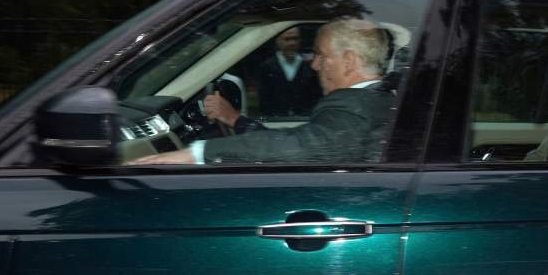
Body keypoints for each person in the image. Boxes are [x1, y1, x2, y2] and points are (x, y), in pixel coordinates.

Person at [129, 19, 394, 165]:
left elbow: (299, 146)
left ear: (347, 61)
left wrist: (197, 153)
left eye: (321, 55)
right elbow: (301, 142)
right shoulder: (378, 100)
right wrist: (236, 120)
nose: (314, 64)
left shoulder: (356, 107)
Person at [256, 26, 320, 117]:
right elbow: (264, 101)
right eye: (287, 39)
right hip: (276, 122)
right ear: (277, 41)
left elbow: (315, 98)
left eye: (295, 39)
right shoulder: (266, 67)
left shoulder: (309, 66)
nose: (292, 43)